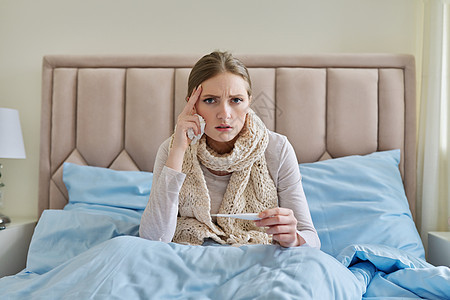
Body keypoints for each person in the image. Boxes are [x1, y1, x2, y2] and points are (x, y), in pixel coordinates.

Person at [139, 51, 320, 248]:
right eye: (210, 100)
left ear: (249, 101)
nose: (224, 114)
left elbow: (312, 239)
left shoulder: (278, 149)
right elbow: (153, 239)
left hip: (256, 259)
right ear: (192, 104)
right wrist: (178, 151)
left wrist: (293, 237)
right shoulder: (172, 150)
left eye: (236, 100)